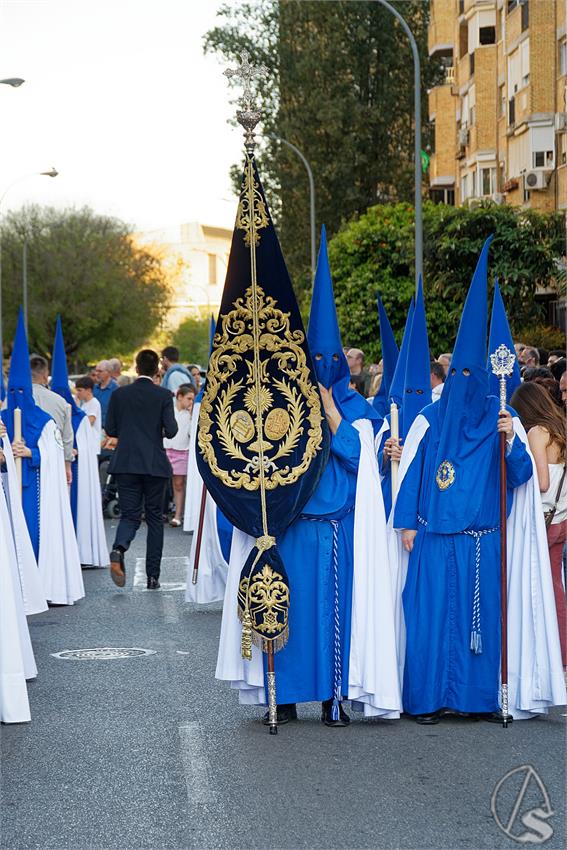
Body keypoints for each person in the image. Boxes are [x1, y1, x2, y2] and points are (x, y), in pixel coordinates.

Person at [216, 226, 401, 726]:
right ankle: (283, 696)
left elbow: (360, 459)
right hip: (291, 527)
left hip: (337, 530)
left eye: (332, 360)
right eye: (315, 360)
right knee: (287, 613)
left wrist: (330, 411)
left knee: (334, 618)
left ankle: (333, 699)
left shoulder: (357, 408)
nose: (324, 366)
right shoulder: (282, 404)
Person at [393, 238, 565, 722]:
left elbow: (523, 477)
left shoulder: (500, 418)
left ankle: (480, 700)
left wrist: (510, 441)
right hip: (433, 539)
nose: (466, 381)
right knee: (431, 622)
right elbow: (414, 472)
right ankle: (427, 701)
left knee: (483, 623)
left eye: (474, 372)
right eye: (459, 372)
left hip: (483, 542)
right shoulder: (431, 419)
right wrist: (406, 522)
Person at [1, 310, 84, 605]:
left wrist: (30, 452)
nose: (17, 395)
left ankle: (39, 587)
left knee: (35, 536)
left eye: (21, 390)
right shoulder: (3, 417)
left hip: (36, 489)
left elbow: (54, 451)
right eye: (13, 390)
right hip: (10, 489)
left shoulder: (44, 421)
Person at [105, 349, 177, 590]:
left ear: (136, 369)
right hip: (154, 463)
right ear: (157, 370)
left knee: (130, 515)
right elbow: (172, 430)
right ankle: (153, 576)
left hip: (125, 462)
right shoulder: (163, 395)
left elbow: (110, 429)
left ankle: (118, 549)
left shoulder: (119, 394)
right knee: (155, 519)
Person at [510, 381, 567, 672]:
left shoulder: (536, 432)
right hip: (561, 519)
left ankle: (543, 653)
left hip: (542, 519)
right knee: (556, 587)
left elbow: (542, 482)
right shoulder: (560, 428)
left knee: (534, 587)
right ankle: (562, 654)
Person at [30, 354, 74, 485]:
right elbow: (67, 438)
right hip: (53, 462)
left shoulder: (11, 401)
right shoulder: (60, 402)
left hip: (23, 464)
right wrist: (67, 465)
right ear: (45, 375)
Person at [164, 384, 195, 527]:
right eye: (188, 398)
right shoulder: (169, 410)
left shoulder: (190, 415)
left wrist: (192, 415)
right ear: (180, 397)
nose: (190, 402)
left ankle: (178, 515)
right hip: (166, 448)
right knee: (162, 483)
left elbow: (191, 433)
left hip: (182, 450)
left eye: (192, 399)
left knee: (178, 484)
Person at [75, 375, 102, 453]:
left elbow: (90, 421)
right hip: (86, 443)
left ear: (89, 390)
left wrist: (77, 409)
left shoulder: (94, 403)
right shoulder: (84, 404)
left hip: (92, 444)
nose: (77, 393)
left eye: (80, 390)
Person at [93, 360, 118, 428]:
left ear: (109, 372)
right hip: (95, 428)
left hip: (109, 429)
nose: (96, 373)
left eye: (100, 371)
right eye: (96, 371)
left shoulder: (116, 389)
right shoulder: (93, 388)